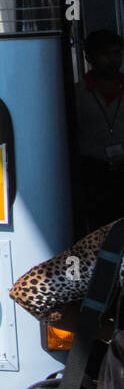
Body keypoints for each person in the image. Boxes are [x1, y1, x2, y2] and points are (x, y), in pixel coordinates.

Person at [73, 29, 124, 236]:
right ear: (89, 58)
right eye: (105, 54)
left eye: (117, 54)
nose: (112, 60)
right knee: (99, 233)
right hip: (93, 172)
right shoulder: (77, 93)